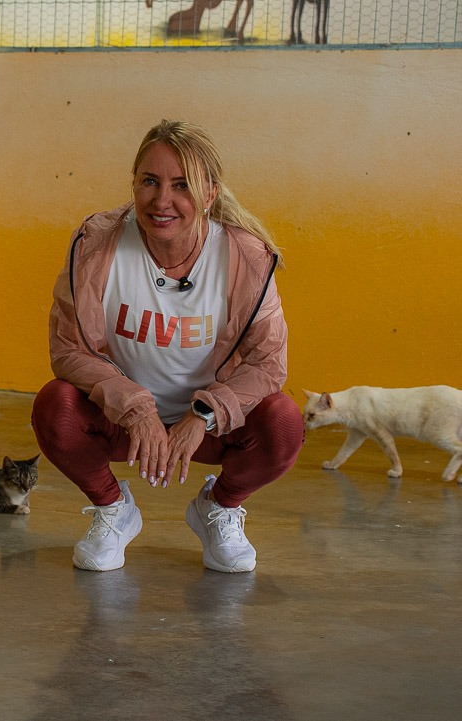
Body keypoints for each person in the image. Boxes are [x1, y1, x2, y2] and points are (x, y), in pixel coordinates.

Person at [31, 119, 303, 573]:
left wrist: (204, 415)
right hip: (122, 419)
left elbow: (268, 363)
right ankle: (113, 508)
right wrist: (137, 409)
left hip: (208, 427)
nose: (162, 201)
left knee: (284, 423)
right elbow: (68, 348)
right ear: (134, 183)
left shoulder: (246, 257)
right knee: (54, 408)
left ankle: (219, 508)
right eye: (150, 182)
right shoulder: (97, 245)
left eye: (182, 186)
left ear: (210, 193)